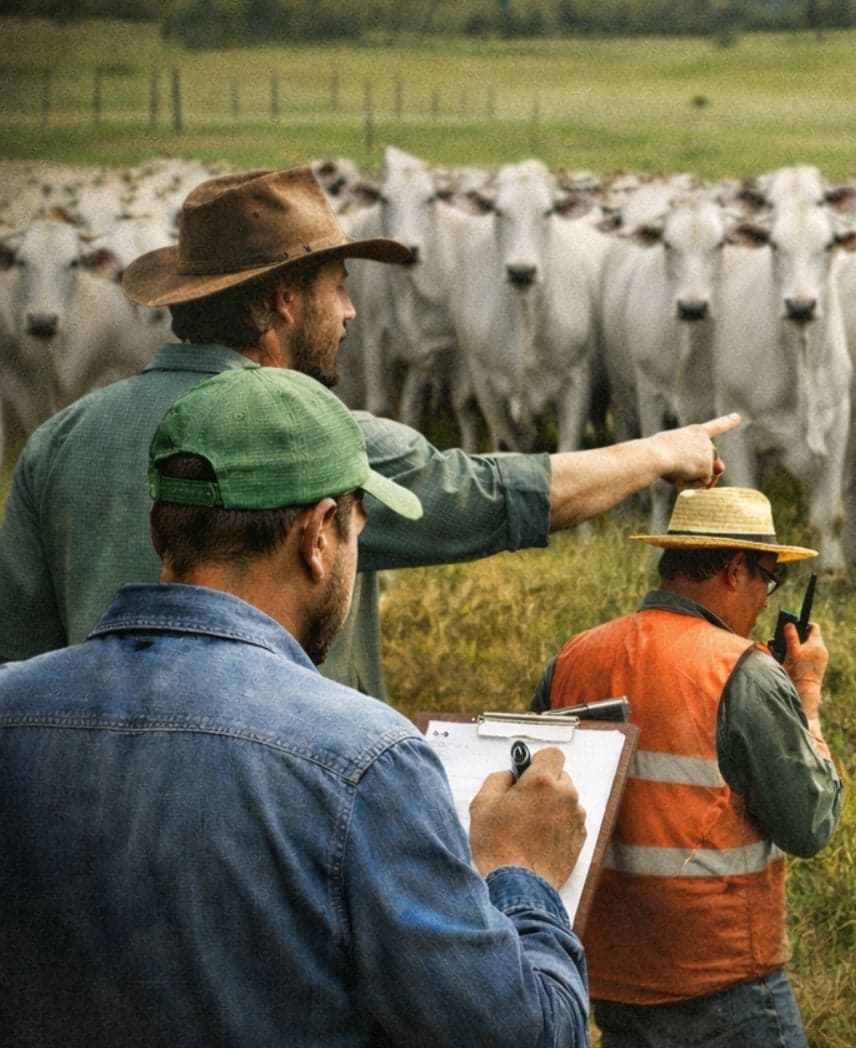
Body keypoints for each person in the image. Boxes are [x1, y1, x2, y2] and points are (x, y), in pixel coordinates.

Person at [0, 367, 593, 1046]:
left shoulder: (11, 705)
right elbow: (524, 1035)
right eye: (355, 530)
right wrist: (522, 870)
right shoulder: (362, 763)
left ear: (164, 528)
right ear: (317, 538)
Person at [0, 164, 739, 700]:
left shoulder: (57, 444)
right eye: (338, 288)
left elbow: (18, 659)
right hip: (286, 810)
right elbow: (494, 496)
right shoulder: (325, 446)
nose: (352, 313)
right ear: (286, 301)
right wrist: (658, 451)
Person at [532, 486, 843, 1047]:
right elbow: (810, 823)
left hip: (609, 981)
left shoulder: (573, 657)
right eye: (766, 580)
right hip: (725, 983)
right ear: (732, 568)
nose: (764, 602)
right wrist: (808, 695)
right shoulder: (743, 672)